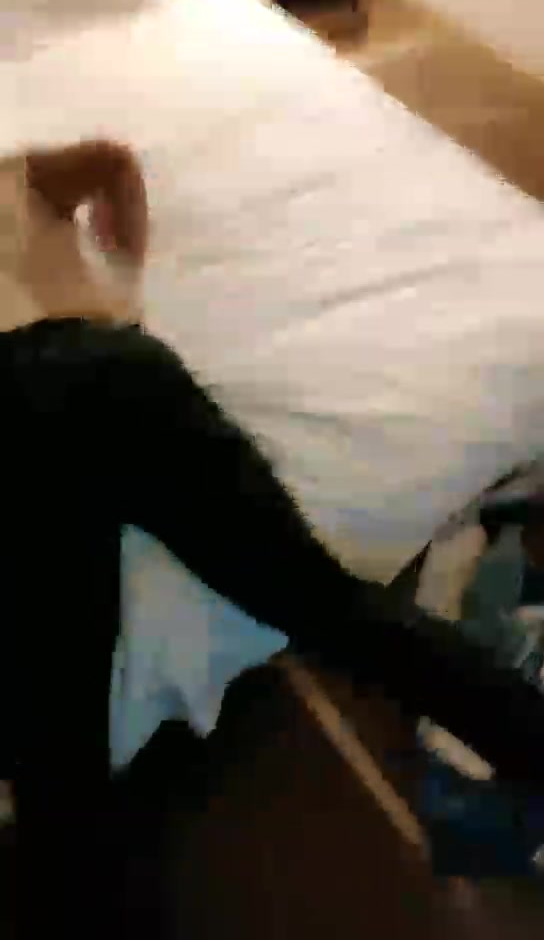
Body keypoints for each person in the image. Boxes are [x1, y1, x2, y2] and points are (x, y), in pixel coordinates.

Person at [9, 140, 544, 936]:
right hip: (108, 367)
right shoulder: (20, 169)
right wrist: (124, 285)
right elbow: (115, 166)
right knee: (330, 606)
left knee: (59, 724)